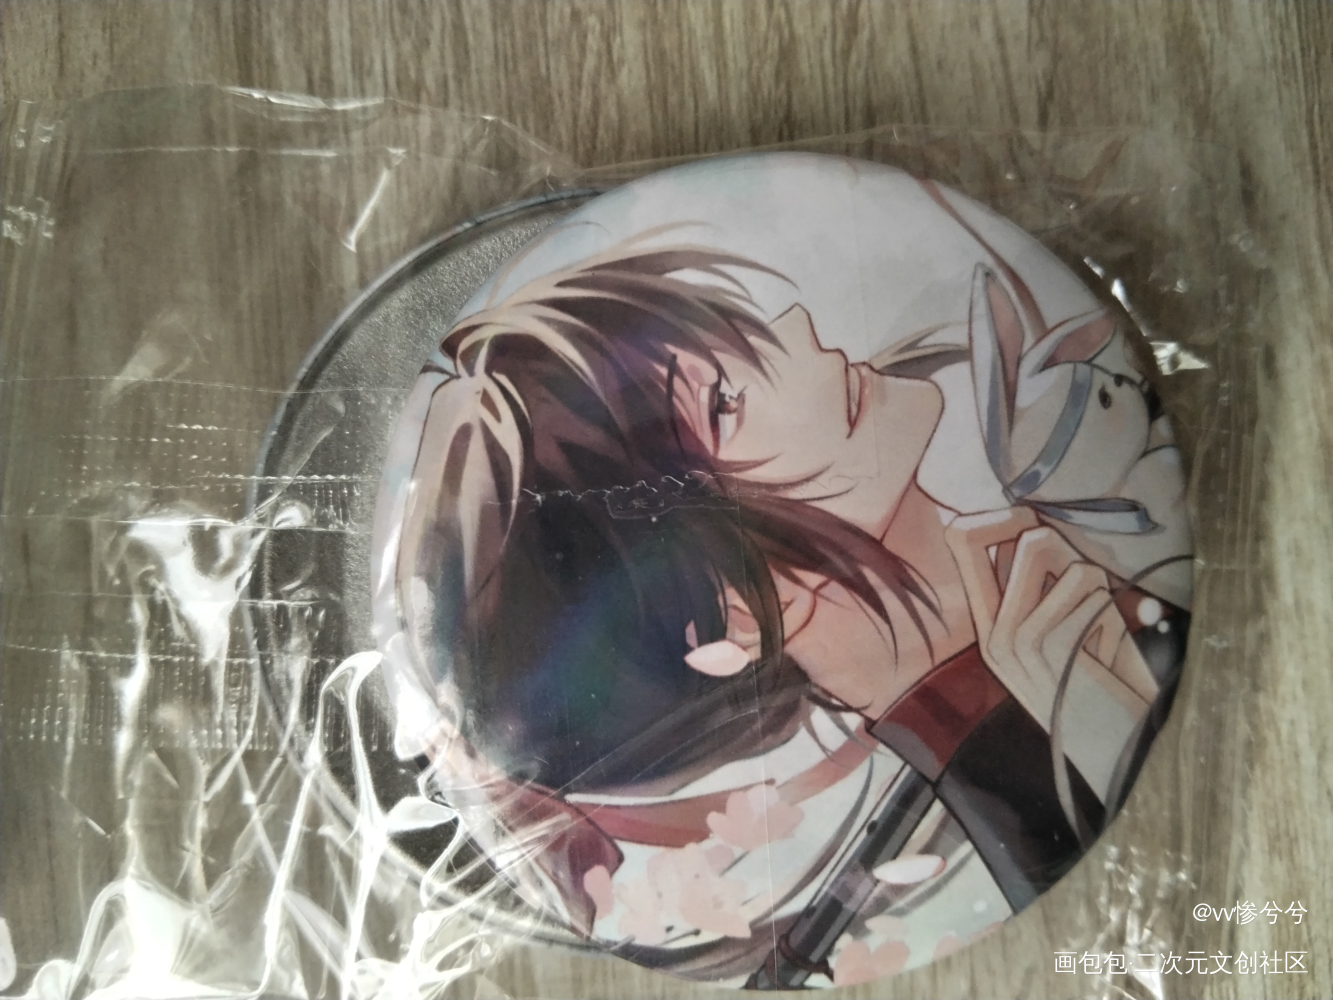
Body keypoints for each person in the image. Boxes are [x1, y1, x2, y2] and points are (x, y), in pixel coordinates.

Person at [373, 234, 1189, 987]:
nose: (797, 323)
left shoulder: (1049, 602)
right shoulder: (1031, 756)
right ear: (735, 616)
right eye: (723, 403)